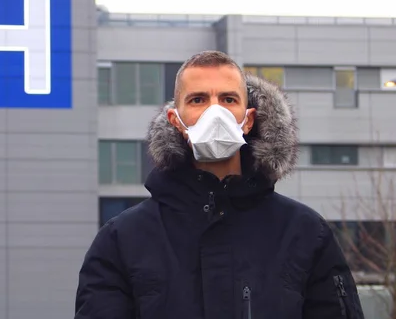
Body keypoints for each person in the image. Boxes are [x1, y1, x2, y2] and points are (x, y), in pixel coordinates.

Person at [74, 51, 364, 318]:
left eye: (228, 100)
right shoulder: (123, 240)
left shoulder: (305, 233)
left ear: (248, 119)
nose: (215, 113)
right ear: (176, 119)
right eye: (198, 100)